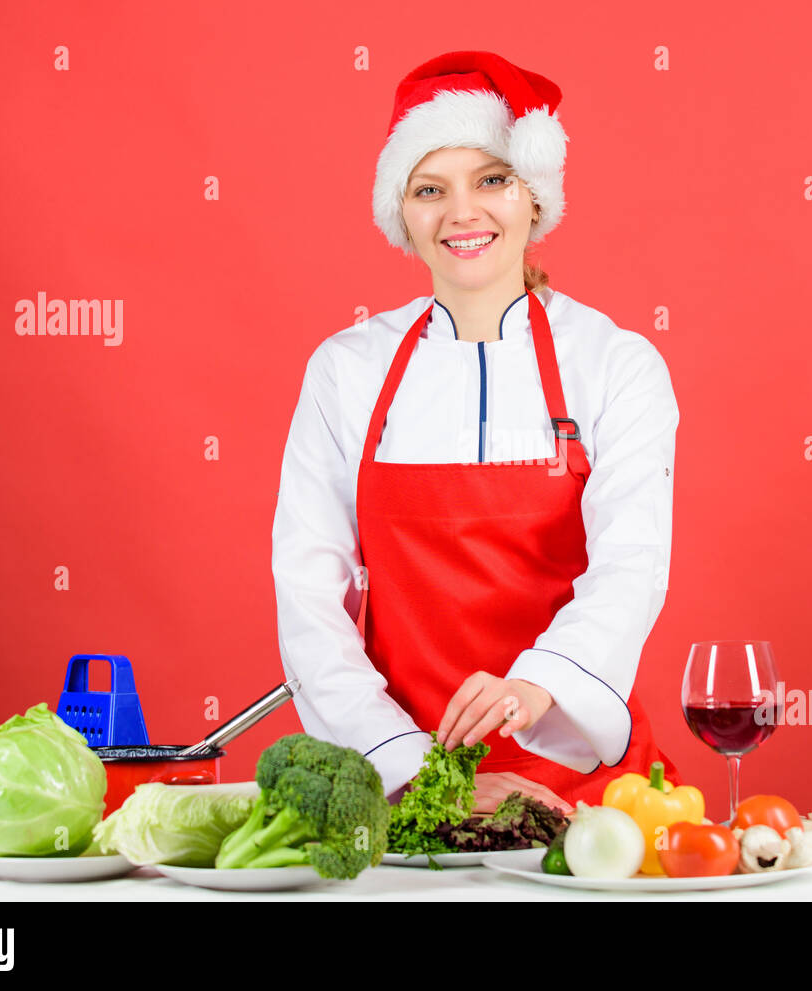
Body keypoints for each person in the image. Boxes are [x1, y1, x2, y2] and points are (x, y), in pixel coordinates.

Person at [272, 50, 681, 813]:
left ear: (534, 197)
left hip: (588, 801)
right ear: (404, 214)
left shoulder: (616, 364)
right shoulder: (346, 371)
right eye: (431, 189)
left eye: (491, 179)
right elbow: (308, 598)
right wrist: (420, 775)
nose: (463, 213)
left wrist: (539, 684)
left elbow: (631, 565)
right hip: (406, 797)